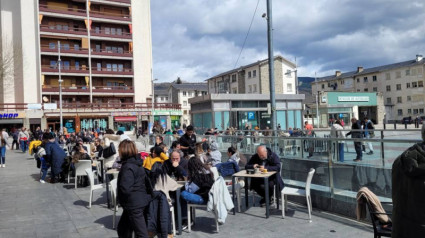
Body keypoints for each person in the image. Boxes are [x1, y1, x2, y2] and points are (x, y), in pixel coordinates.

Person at [117, 140, 151, 238]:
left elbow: (125, 188)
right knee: (123, 229)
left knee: (141, 233)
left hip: (134, 204)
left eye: (119, 149)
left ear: (123, 151)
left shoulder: (128, 166)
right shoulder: (136, 163)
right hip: (138, 201)